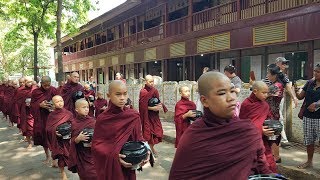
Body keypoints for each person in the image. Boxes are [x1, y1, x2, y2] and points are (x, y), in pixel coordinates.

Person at [169, 72, 271, 179]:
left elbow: (262, 165)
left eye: (232, 91)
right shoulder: (194, 136)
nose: (231, 98)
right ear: (205, 101)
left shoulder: (247, 130)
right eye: (222, 93)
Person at [92, 80, 150, 180]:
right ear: (108, 95)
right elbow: (97, 146)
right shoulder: (103, 119)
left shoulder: (133, 115)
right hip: (112, 164)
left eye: (125, 94)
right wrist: (115, 156)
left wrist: (146, 151)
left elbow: (139, 138)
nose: (122, 98)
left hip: (130, 162)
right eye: (118, 94)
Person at [239, 81, 277, 172]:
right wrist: (260, 130)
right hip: (249, 141)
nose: (266, 95)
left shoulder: (265, 105)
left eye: (267, 93)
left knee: (270, 164)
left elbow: (267, 120)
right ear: (255, 91)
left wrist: (272, 128)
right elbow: (243, 125)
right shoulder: (246, 104)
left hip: (263, 140)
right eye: (263, 93)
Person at [295, 64, 320, 169]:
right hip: (308, 117)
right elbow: (300, 97)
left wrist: (318, 104)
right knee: (309, 141)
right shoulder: (310, 82)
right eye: (315, 71)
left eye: (318, 72)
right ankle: (309, 162)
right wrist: (296, 91)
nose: (315, 73)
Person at [31, 76, 58, 164]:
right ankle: (48, 156)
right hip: (42, 118)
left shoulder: (53, 90)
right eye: (45, 85)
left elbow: (59, 101)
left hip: (52, 117)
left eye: (48, 85)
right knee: (44, 137)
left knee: (53, 137)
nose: (47, 87)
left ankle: (54, 158)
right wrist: (40, 105)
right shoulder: (36, 92)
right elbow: (32, 105)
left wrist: (53, 106)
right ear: (41, 84)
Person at [139, 75, 167, 156]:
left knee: (157, 132)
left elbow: (157, 101)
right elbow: (142, 106)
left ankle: (151, 148)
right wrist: (152, 108)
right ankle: (151, 149)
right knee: (148, 133)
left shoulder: (155, 90)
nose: (152, 83)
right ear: (145, 82)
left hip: (154, 116)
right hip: (147, 116)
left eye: (152, 81)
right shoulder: (143, 92)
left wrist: (159, 106)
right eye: (150, 81)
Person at [68, 99, 97, 179]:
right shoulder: (74, 123)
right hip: (81, 154)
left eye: (87, 107)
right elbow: (72, 140)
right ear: (76, 109)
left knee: (95, 174)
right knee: (84, 174)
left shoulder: (93, 121)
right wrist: (78, 139)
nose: (86, 109)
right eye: (84, 107)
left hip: (92, 154)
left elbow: (100, 136)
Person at [46, 95, 73, 180]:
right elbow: (48, 128)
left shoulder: (68, 113)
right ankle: (63, 173)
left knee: (69, 155)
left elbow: (73, 124)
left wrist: (69, 130)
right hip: (58, 140)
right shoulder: (51, 115)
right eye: (57, 102)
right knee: (61, 157)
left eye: (61, 100)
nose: (60, 103)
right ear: (53, 104)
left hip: (67, 140)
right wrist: (55, 132)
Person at [265, 64, 288, 164]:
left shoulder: (276, 85)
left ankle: (276, 157)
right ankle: (274, 156)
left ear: (274, 75)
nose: (267, 75)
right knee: (272, 136)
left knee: (273, 136)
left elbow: (264, 94)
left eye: (268, 73)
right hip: (271, 113)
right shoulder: (275, 84)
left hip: (272, 114)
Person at [19, 77, 36, 149]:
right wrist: (24, 103)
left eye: (31, 82)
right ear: (25, 82)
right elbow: (17, 101)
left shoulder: (35, 89)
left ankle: (35, 139)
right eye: (28, 82)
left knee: (35, 126)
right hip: (25, 112)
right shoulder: (21, 90)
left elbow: (38, 99)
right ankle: (29, 143)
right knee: (26, 128)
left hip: (34, 111)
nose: (30, 83)